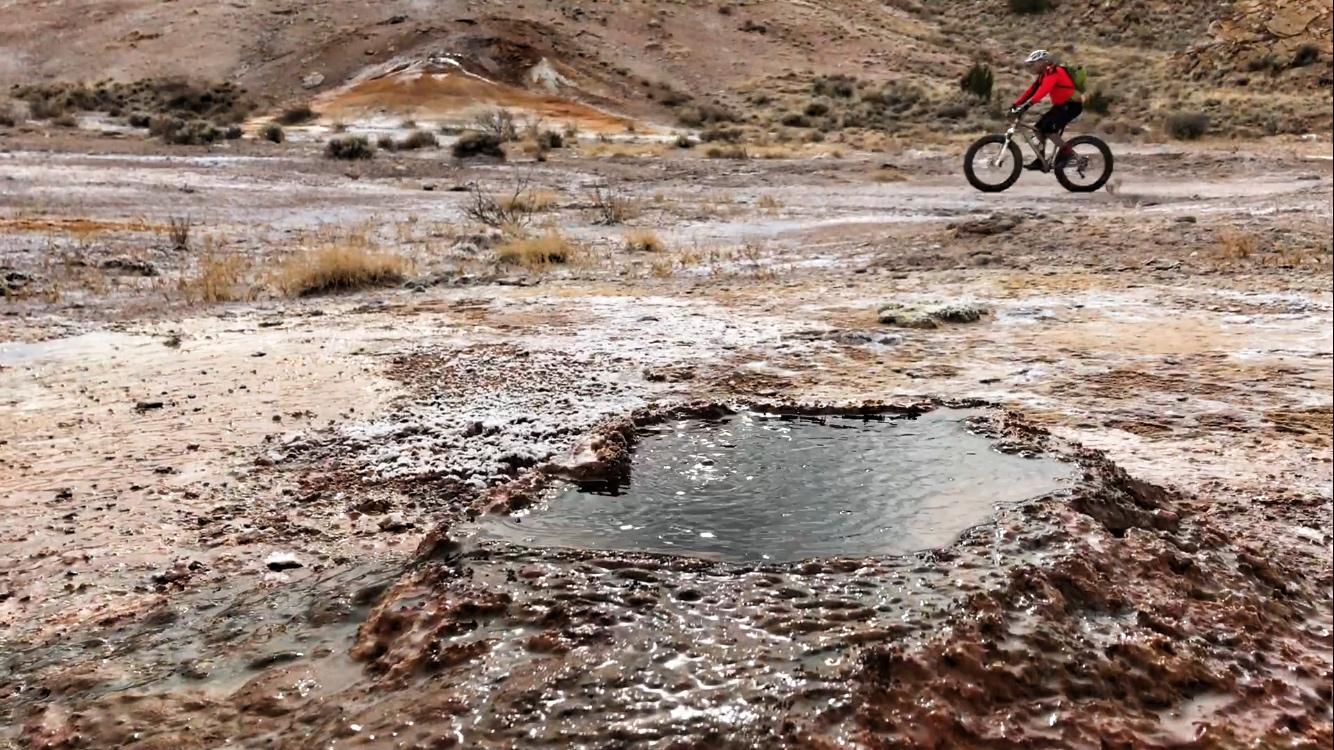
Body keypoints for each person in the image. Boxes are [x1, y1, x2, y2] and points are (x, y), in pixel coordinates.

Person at [1009, 49, 1082, 172]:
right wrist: (1015, 105)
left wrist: (1026, 106)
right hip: (1061, 106)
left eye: (1033, 63)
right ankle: (1040, 160)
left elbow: (1043, 91)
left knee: (1049, 129)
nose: (1031, 67)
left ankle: (1069, 155)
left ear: (1042, 62)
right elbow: (1031, 91)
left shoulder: (1053, 72)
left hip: (1072, 105)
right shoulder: (1043, 75)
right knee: (1038, 129)